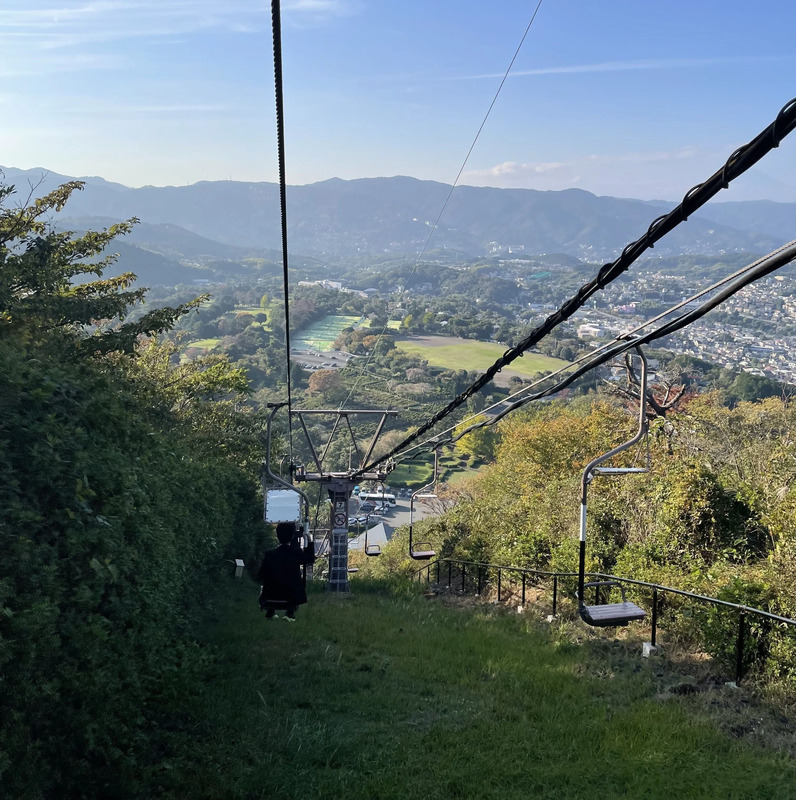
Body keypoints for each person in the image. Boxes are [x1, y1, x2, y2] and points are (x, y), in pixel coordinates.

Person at [257, 521, 315, 621]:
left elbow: (260, 575)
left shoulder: (269, 555)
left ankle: (270, 612)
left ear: (277, 535)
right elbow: (310, 559)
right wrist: (309, 539)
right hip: (291, 597)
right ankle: (289, 613)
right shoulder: (296, 553)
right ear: (292, 536)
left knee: (270, 582)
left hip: (270, 596)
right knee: (293, 581)